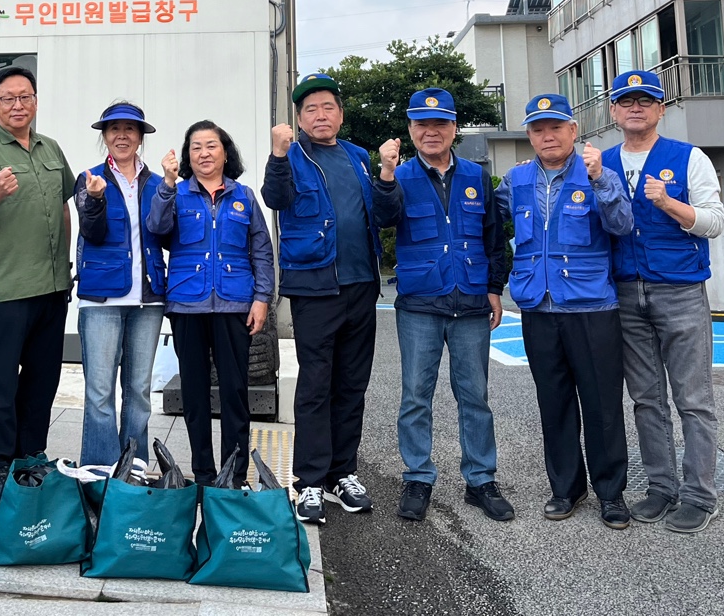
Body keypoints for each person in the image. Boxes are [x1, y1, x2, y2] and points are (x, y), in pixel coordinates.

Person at [372, 88, 514, 525]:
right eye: (421, 125)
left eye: (440, 124)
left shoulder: (475, 175)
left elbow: (495, 236)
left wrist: (495, 288)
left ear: (454, 128)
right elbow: (382, 216)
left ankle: (480, 480)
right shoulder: (398, 175)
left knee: (475, 397)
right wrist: (387, 173)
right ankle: (417, 476)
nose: (431, 132)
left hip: (471, 299)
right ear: (411, 131)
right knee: (416, 395)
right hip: (420, 302)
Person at [497, 94, 634, 529]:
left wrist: (600, 183)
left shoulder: (597, 172)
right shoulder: (515, 180)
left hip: (591, 305)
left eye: (555, 127)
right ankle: (566, 488)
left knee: (602, 404)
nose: (547, 136)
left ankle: (611, 493)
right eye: (538, 129)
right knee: (553, 403)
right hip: (538, 305)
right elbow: (484, 224)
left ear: (573, 131)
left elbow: (622, 225)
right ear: (530, 136)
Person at [602, 70, 724, 534]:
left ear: (660, 109)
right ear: (614, 111)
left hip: (680, 290)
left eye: (646, 100)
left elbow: (715, 222)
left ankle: (700, 494)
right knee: (646, 399)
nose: (636, 107)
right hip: (625, 292)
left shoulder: (689, 158)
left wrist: (671, 204)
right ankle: (661, 486)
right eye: (627, 100)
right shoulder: (603, 162)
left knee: (694, 398)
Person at [261, 72, 381, 524]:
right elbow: (275, 198)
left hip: (361, 285)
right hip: (314, 287)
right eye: (310, 109)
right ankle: (308, 481)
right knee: (315, 384)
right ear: (298, 118)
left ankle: (341, 473)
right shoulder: (289, 157)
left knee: (352, 383)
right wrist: (276, 153)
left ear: (341, 113)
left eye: (327, 107)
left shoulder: (358, 157)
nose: (320, 115)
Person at [0, 66, 75, 503]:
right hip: (5, 288)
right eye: (8, 98)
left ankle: (31, 456)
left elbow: (64, 207)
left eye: (25, 97)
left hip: (50, 286)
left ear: (36, 101)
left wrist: (64, 265)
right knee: (0, 381)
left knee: (43, 379)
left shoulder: (51, 148)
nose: (18, 105)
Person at [147, 121, 274, 487]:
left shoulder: (244, 196)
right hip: (188, 304)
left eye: (211, 146)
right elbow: (156, 228)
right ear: (187, 156)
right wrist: (167, 185)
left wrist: (262, 298)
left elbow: (262, 252)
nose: (203, 153)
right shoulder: (174, 192)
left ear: (225, 152)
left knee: (235, 392)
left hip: (235, 303)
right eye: (196, 147)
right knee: (195, 394)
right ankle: (203, 475)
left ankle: (232, 476)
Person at [73, 102, 167, 471]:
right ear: (105, 136)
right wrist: (95, 200)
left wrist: (172, 190)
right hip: (101, 299)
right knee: (99, 393)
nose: (122, 135)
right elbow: (92, 233)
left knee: (139, 391)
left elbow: (167, 235)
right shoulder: (90, 179)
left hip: (148, 299)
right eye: (114, 129)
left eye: (130, 129)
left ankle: (135, 465)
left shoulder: (158, 184)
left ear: (141, 137)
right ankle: (99, 468)